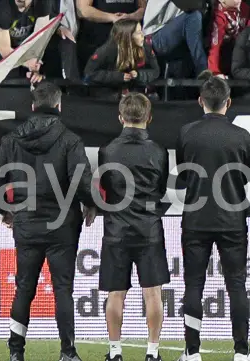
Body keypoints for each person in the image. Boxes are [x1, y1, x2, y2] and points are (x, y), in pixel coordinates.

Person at [0, 81, 96, 361]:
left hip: (26, 222)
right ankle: (68, 352)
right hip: (62, 224)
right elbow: (81, 180)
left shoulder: (12, 140)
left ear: (33, 107)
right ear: (59, 106)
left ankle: (15, 352)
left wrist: (3, 208)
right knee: (63, 288)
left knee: (24, 286)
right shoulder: (70, 140)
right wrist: (91, 204)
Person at [174, 77, 250, 361]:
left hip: (195, 220)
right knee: (237, 285)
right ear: (228, 103)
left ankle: (192, 351)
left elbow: (182, 177)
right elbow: (246, 176)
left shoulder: (186, 133)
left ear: (200, 101)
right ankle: (242, 352)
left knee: (194, 285)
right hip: (232, 220)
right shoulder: (242, 136)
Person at [97, 92, 168, 361]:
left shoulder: (108, 150)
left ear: (120, 117)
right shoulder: (158, 151)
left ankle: (115, 352)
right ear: (149, 118)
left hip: (116, 230)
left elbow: (105, 189)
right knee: (153, 293)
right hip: (149, 229)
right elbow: (160, 189)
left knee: (116, 294)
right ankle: (152, 351)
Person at [84, 19, 160, 91]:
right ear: (127, 36)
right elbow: (89, 73)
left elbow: (155, 71)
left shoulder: (145, 47)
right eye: (138, 33)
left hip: (135, 89)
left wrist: (139, 75)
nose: (142, 35)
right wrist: (118, 76)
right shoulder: (107, 50)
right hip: (107, 91)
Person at [141, 0, 208, 78]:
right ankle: (203, 71)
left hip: (173, 36)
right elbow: (191, 5)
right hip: (154, 38)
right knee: (194, 15)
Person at [77, 0, 146, 71]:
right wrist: (111, 17)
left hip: (129, 44)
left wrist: (130, 16)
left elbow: (144, 9)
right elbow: (83, 10)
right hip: (98, 43)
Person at [207, 0, 250, 78]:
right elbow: (215, 46)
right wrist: (215, 72)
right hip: (225, 54)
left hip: (241, 50)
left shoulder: (244, 8)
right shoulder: (218, 15)